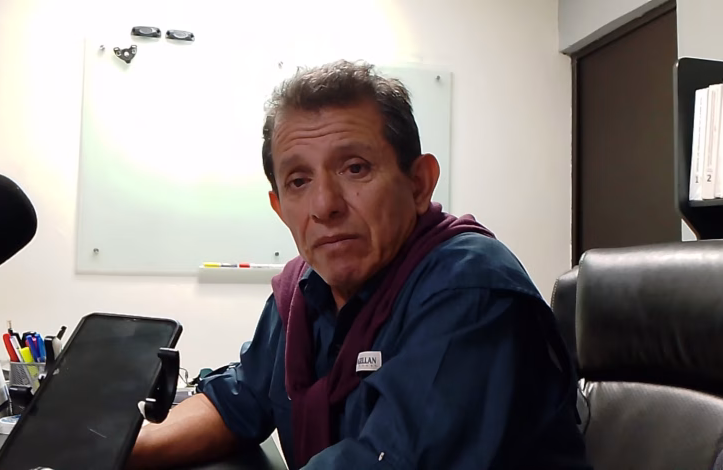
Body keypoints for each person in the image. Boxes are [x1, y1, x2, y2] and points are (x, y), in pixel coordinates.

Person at [127, 60, 590, 470]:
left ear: (418, 183)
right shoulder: (302, 291)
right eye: (299, 180)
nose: (324, 205)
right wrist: (110, 449)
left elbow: (388, 460)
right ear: (279, 207)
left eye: (355, 168)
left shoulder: (470, 290)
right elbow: (241, 398)